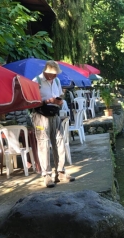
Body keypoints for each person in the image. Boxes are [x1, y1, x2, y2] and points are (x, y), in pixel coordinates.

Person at [32, 60, 75, 188]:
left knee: (59, 141)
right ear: (46, 72)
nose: (56, 76)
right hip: (41, 115)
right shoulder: (36, 82)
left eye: (56, 74)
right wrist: (46, 101)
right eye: (53, 74)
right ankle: (46, 175)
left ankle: (60, 172)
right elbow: (32, 101)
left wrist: (58, 101)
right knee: (43, 144)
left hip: (54, 113)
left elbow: (57, 95)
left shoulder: (56, 81)